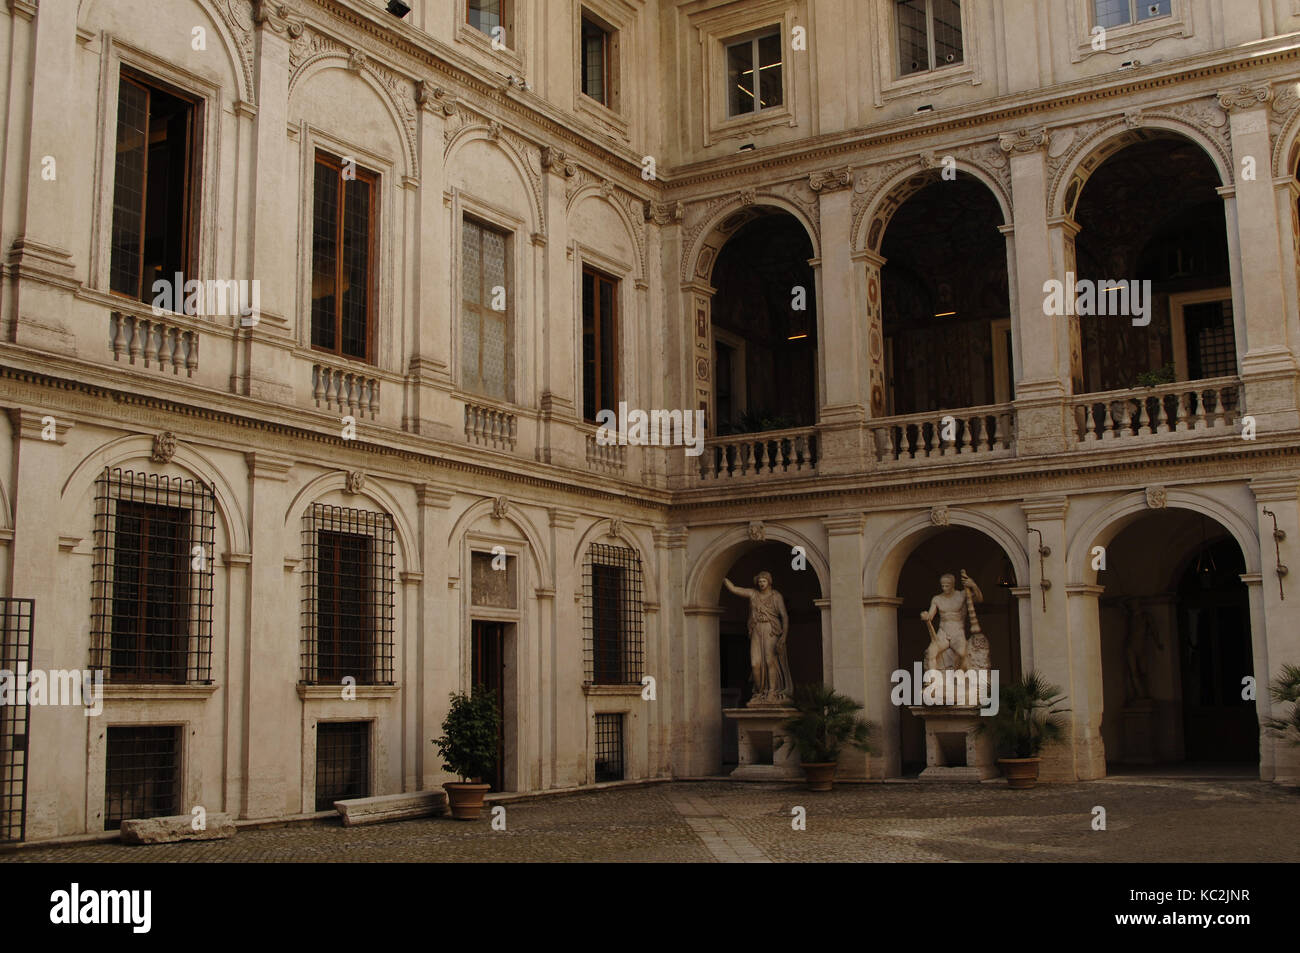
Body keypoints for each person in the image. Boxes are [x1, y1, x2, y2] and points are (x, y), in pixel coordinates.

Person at [723, 571, 793, 705]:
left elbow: (784, 616)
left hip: (771, 629)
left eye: (764, 581)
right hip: (756, 629)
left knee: (769, 660)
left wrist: (784, 636)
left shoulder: (776, 596)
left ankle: (772, 691)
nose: (761, 583)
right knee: (755, 664)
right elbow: (735, 589)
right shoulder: (753, 594)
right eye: (760, 581)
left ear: (769, 582)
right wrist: (720, 576)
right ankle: (760, 692)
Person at [921, 570, 983, 672]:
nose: (944, 588)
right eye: (943, 586)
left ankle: (960, 675)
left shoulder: (961, 595)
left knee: (963, 654)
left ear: (953, 584)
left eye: (947, 586)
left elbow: (979, 599)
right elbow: (930, 615)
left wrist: (974, 585)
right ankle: (932, 680)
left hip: (957, 631)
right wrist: (926, 616)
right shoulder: (937, 599)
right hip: (943, 632)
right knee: (932, 652)